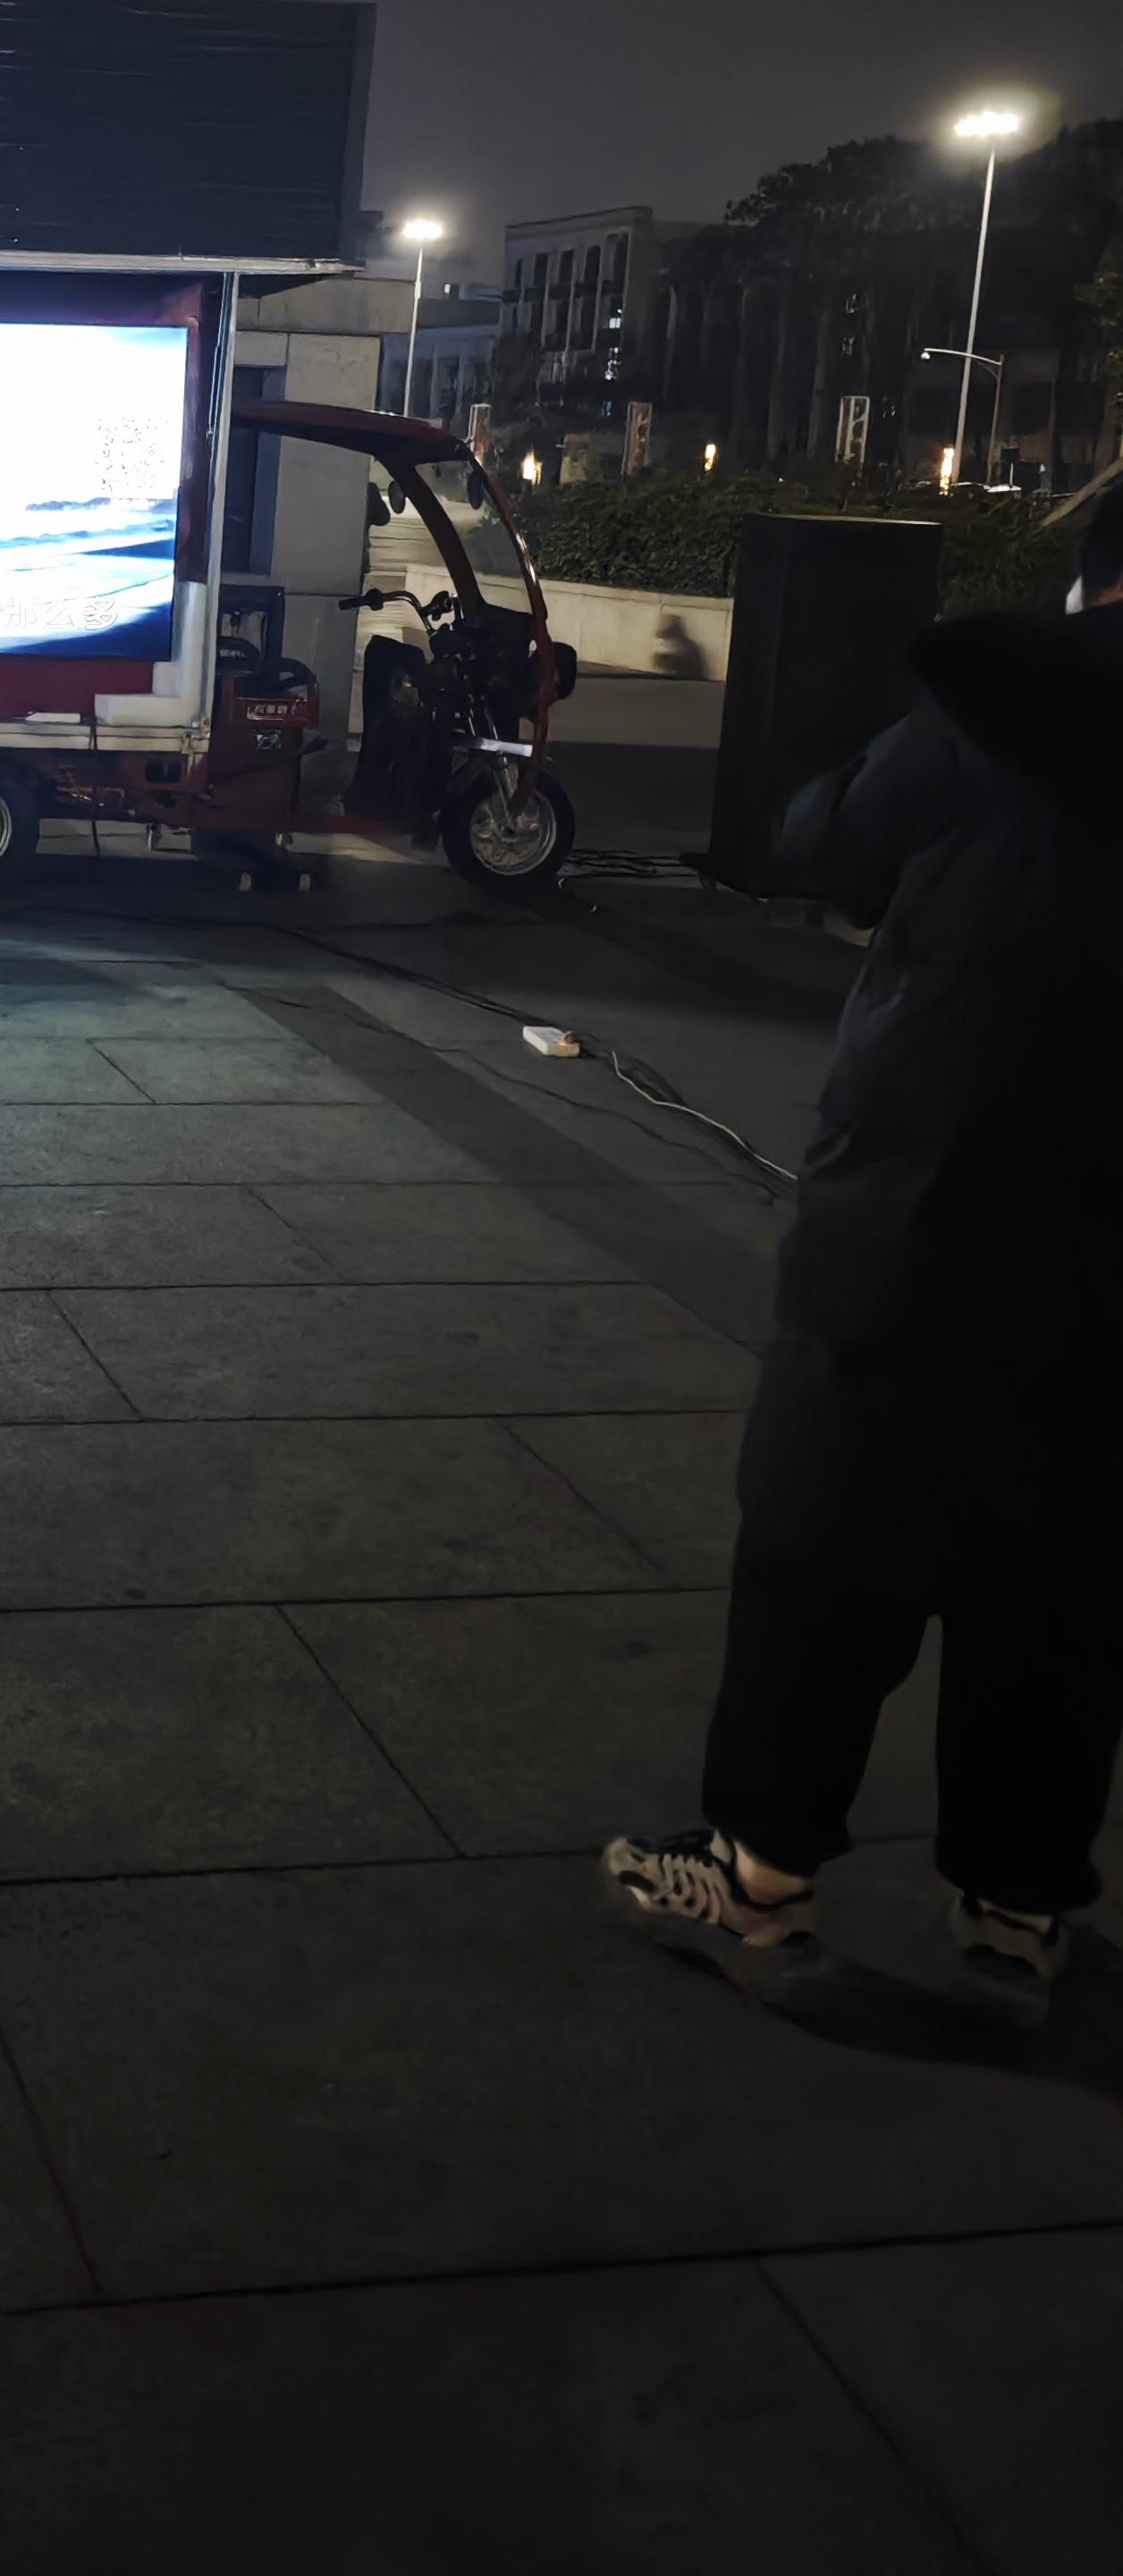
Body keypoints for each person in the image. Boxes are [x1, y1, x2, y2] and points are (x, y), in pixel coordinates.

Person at [604, 479, 1123, 2001]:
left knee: (827, 1535)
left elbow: (818, 841)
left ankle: (757, 1875)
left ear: (1095, 580)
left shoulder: (1006, 708)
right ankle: (1017, 1903)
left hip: (932, 1209)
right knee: (1072, 1567)